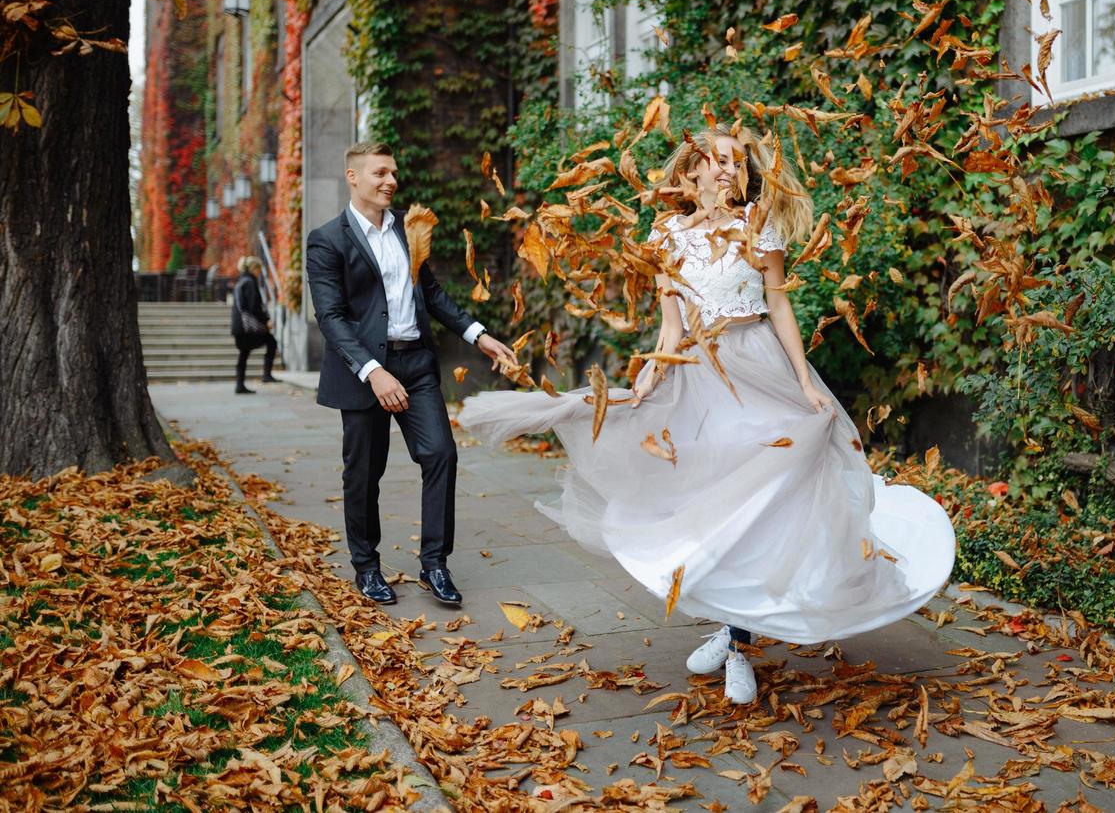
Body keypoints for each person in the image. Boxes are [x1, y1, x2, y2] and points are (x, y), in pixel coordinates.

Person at [457, 124, 955, 705]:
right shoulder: (666, 234)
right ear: (692, 170)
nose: (727, 171)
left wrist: (803, 381)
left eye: (737, 163)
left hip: (758, 368)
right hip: (698, 373)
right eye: (716, 161)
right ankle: (730, 628)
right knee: (712, 507)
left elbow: (778, 304)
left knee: (759, 501)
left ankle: (739, 646)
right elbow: (671, 325)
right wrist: (649, 375)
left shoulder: (757, 227)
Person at [306, 141, 518, 608]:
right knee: (364, 473)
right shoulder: (327, 239)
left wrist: (477, 334)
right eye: (380, 173)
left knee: (441, 455)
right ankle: (366, 567)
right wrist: (374, 372)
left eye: (393, 173)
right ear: (353, 177)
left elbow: (433, 292)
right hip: (364, 372)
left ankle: (434, 564)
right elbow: (332, 317)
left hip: (416, 364)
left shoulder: (408, 227)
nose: (391, 181)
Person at [231, 255, 279, 394]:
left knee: (244, 354)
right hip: (247, 327)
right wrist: (266, 321)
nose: (260, 272)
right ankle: (266, 375)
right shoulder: (250, 282)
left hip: (239, 327)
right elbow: (254, 307)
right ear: (253, 268)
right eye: (259, 269)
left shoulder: (241, 281)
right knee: (271, 342)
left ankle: (239, 385)